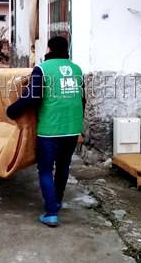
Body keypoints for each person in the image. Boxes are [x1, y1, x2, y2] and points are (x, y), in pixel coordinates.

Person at [6, 36, 85, 227]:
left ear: (48, 49)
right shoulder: (77, 70)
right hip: (72, 128)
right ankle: (56, 201)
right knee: (63, 167)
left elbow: (31, 97)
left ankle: (50, 213)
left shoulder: (42, 69)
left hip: (50, 129)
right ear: (66, 50)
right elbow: (82, 99)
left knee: (45, 169)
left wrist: (11, 111)